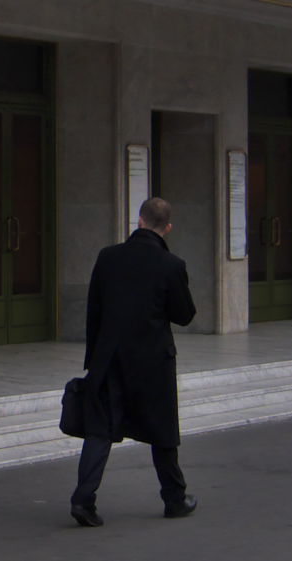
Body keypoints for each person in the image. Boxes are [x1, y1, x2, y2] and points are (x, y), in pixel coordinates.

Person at [69, 196, 198, 527]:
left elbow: (93, 311)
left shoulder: (108, 257)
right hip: (153, 360)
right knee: (162, 430)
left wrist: (94, 360)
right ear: (166, 228)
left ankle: (84, 499)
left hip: (109, 358)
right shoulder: (172, 265)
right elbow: (185, 315)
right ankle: (174, 498)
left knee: (100, 430)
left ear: (139, 221)